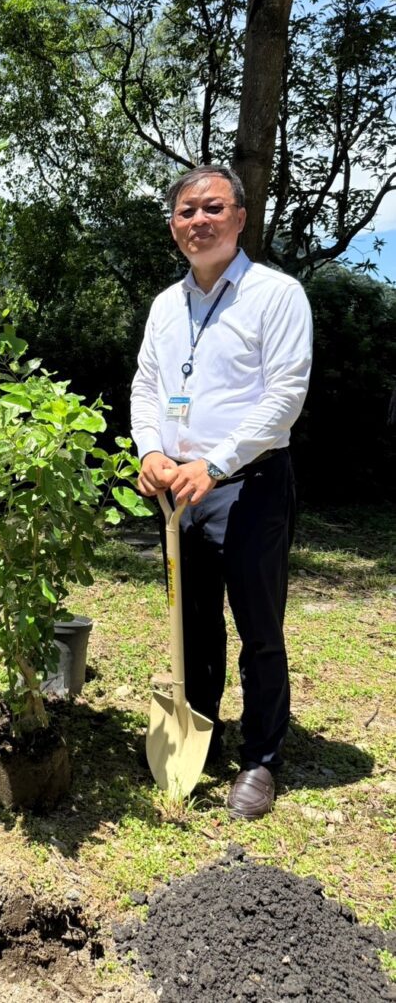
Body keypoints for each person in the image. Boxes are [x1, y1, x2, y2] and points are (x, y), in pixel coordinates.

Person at [130, 165, 313, 819]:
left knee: (258, 627)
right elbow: (147, 387)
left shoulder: (276, 296)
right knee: (193, 620)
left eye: (212, 208)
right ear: (174, 225)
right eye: (185, 211)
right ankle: (196, 731)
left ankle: (261, 758)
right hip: (178, 489)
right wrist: (150, 448)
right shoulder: (165, 305)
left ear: (239, 216)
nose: (197, 221)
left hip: (250, 483)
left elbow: (284, 397)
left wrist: (215, 461)